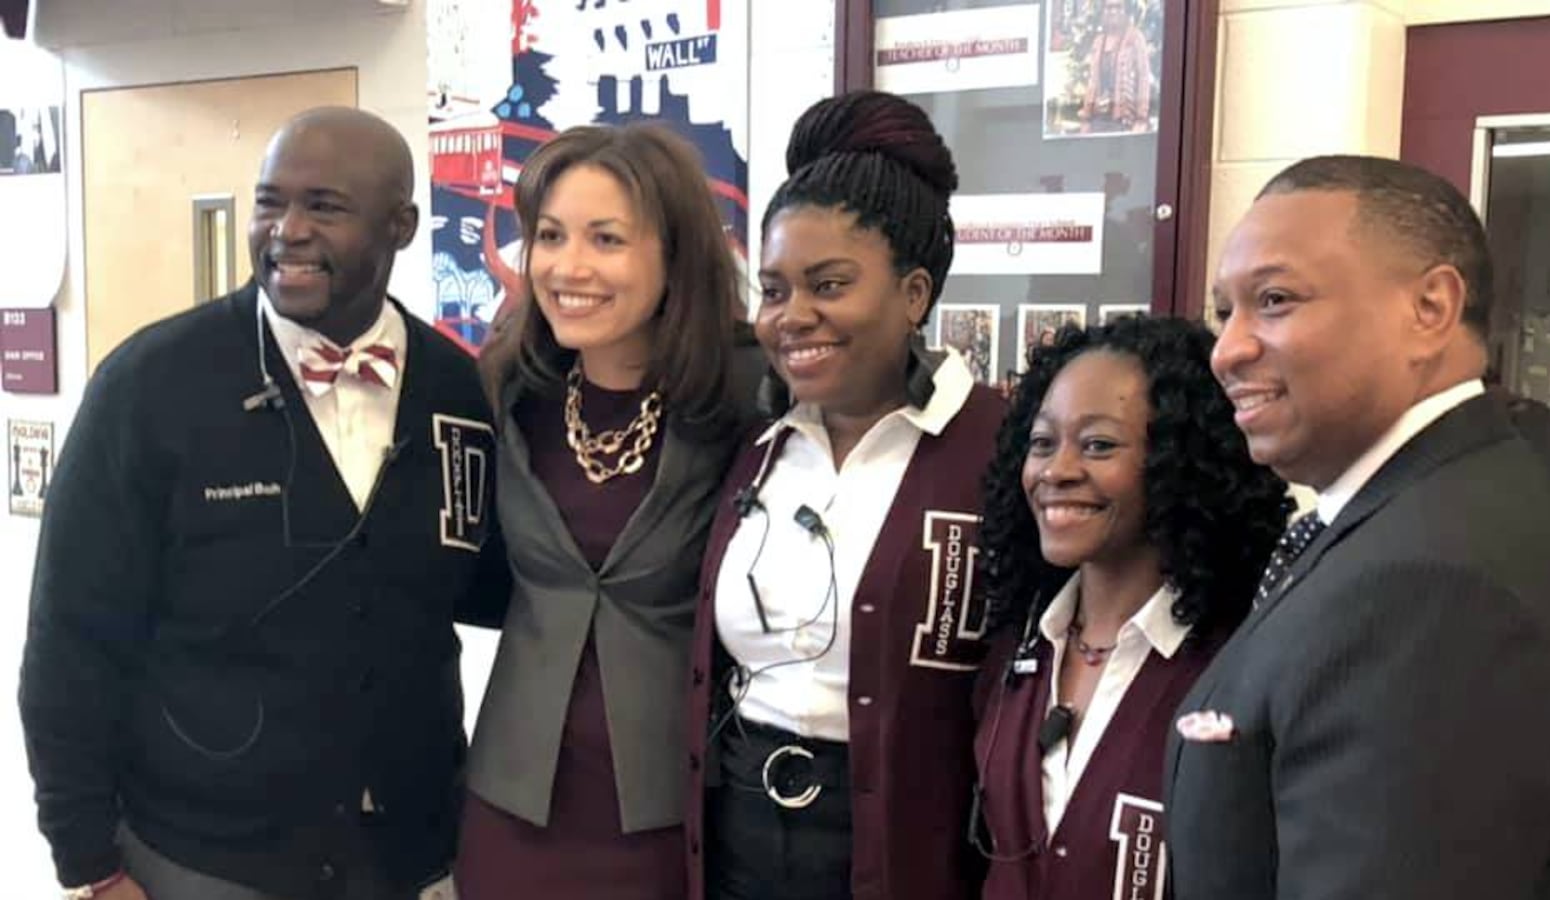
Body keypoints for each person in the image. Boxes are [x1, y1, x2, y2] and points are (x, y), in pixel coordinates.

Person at [20, 107, 509, 900]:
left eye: (324, 205)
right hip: (200, 860)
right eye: (269, 202)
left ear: (402, 225)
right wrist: (87, 863)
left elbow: (488, 589)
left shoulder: (458, 388)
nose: (287, 231)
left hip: (410, 856)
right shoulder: (149, 386)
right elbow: (68, 643)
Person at [1169, 155, 1550, 900]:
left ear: (1430, 308)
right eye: (1223, 312)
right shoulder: (1416, 512)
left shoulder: (1432, 585)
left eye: (1273, 300)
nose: (1227, 349)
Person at [682, 90, 1006, 900]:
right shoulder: (755, 449)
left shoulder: (1002, 450)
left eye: (829, 284)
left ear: (914, 294)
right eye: (775, 289)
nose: (794, 317)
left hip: (904, 844)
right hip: (738, 837)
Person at [455, 123, 760, 900]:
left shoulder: (751, 399)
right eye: (549, 236)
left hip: (675, 813)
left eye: (607, 239)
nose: (568, 267)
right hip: (512, 806)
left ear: (676, 256)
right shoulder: (506, 390)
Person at [971, 316, 1288, 899]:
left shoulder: (1237, 668)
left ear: (1178, 462)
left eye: (1098, 445)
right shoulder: (1017, 649)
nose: (1057, 471)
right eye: (1042, 443)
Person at [1077, 0, 1153, 134]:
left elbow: (1144, 78)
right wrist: (1086, 119)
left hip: (1125, 121)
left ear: (1126, 10)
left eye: (1118, 7)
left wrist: (1141, 120)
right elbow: (1092, 82)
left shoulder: (1135, 38)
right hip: (1099, 120)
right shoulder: (1099, 41)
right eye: (1109, 7)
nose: (1113, 11)